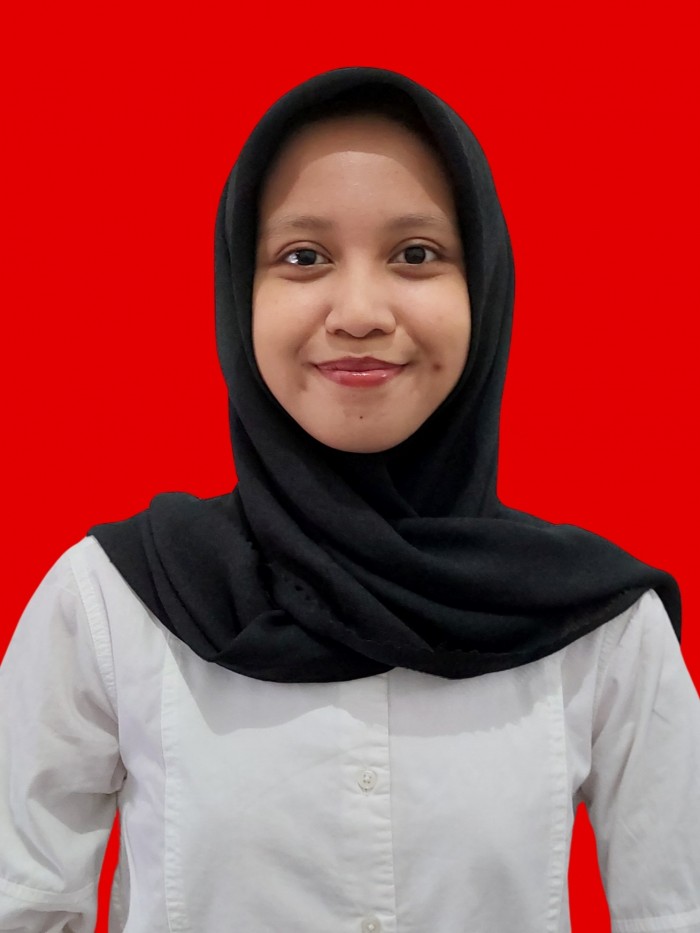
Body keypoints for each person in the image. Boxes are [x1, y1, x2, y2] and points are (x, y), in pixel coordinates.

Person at [1, 66, 698, 933]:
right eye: (303, 257)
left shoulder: (601, 625)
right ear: (239, 293)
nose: (360, 311)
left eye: (417, 254)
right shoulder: (112, 604)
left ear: (483, 287)